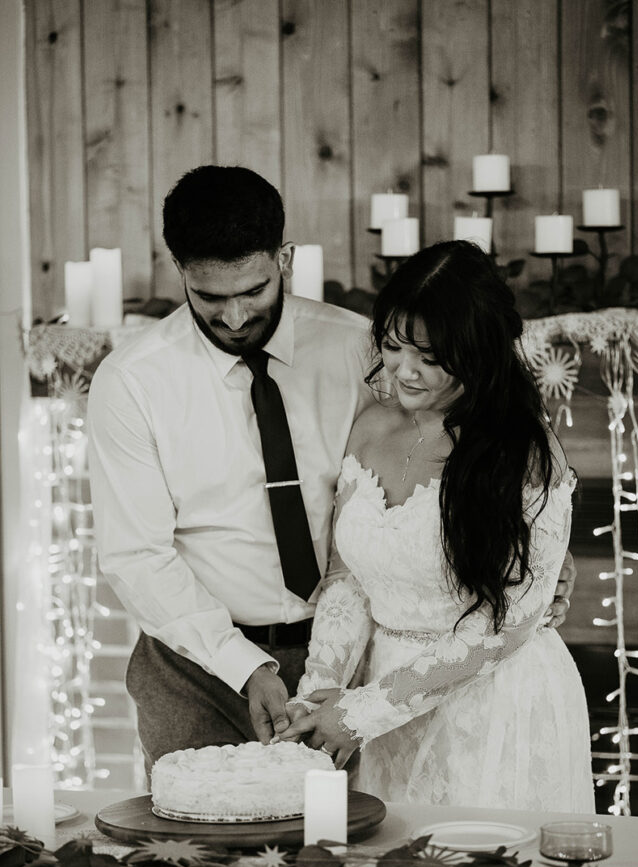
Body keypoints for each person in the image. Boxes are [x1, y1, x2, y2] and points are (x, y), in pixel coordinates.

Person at [88, 165, 576, 782]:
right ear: (178, 270)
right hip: (196, 667)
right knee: (200, 850)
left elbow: (475, 446)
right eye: (210, 296)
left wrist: (541, 554)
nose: (236, 316)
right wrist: (245, 665)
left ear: (284, 259)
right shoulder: (132, 381)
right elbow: (136, 556)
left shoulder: (362, 349)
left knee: (343, 853)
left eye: (254, 290)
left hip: (362, 664)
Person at [279, 240, 595, 812]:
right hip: (384, 706)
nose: (404, 370)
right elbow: (349, 578)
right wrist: (321, 687)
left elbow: (510, 622)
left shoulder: (524, 451)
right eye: (394, 347)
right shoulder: (371, 427)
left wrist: (362, 711)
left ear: (478, 353)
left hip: (494, 701)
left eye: (429, 357)